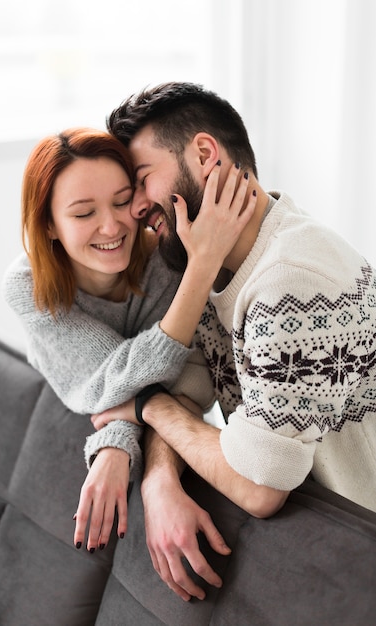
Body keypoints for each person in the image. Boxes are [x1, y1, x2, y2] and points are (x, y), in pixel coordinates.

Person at [90, 81, 376, 600]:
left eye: (141, 180)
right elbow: (185, 390)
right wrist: (158, 483)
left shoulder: (293, 278)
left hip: (359, 559)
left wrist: (149, 406)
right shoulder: (210, 267)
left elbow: (260, 487)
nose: (133, 210)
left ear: (204, 154)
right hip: (318, 549)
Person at [2, 127, 255, 557]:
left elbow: (183, 376)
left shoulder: (165, 260)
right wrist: (120, 437)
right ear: (48, 224)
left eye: (122, 202)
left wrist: (125, 433)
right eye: (84, 214)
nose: (112, 225)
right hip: (67, 423)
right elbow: (110, 379)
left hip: (163, 423)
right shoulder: (29, 287)